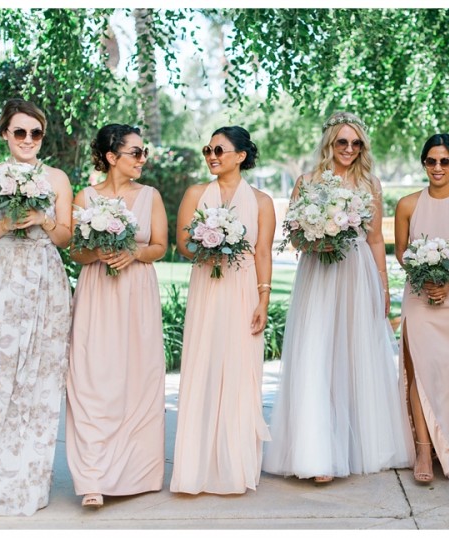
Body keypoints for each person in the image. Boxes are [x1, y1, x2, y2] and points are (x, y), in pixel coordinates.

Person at [263, 112, 414, 483]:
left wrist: (384, 285)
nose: (348, 149)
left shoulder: (369, 183)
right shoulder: (307, 182)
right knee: (316, 353)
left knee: (355, 354)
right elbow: (294, 236)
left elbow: (376, 238)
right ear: (330, 143)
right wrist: (316, 236)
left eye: (356, 143)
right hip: (319, 272)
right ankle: (317, 453)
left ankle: (355, 445)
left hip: (356, 273)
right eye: (342, 142)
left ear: (362, 147)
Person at [0, 98, 73, 515]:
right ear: (5, 135)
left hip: (46, 281)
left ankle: (29, 486)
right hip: (2, 280)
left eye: (35, 133)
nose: (28, 140)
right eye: (20, 132)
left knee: (40, 381)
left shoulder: (58, 178)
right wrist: (8, 223)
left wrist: (41, 219)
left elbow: (65, 237)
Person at [65, 124, 168, 508]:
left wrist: (134, 254)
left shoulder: (151, 196)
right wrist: (95, 253)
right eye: (136, 153)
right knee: (92, 379)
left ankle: (138, 473)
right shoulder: (85, 196)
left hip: (137, 292)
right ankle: (92, 478)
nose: (143, 159)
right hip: (97, 293)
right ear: (112, 157)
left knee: (138, 377)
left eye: (144, 153)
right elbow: (76, 251)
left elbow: (160, 245)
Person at [170, 126, 275, 495]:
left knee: (240, 369)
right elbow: (182, 242)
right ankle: (195, 467)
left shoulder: (261, 201)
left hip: (243, 290)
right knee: (204, 365)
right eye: (208, 150)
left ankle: (234, 466)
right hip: (208, 288)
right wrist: (206, 241)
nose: (212, 156)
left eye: (219, 149)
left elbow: (263, 251)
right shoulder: (196, 193)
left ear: (241, 156)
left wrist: (263, 298)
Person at [394, 134, 449, 484]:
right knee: (421, 372)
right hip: (418, 296)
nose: (438, 168)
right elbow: (401, 252)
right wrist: (422, 273)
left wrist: (448, 280)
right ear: (424, 164)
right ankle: (424, 451)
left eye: (445, 161)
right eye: (431, 161)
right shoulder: (408, 205)